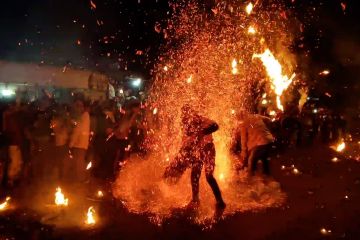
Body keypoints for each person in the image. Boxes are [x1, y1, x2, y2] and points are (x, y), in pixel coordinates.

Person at [163, 104, 226, 209]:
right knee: (194, 175)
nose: (184, 117)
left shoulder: (201, 119)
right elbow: (186, 144)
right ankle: (195, 200)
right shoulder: (187, 126)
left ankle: (220, 201)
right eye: (183, 115)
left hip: (209, 149)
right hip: (198, 152)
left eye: (186, 114)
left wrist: (202, 132)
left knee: (209, 176)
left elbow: (215, 125)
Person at [239, 112, 274, 177]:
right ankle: (267, 176)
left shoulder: (243, 123)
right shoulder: (256, 116)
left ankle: (251, 179)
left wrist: (243, 152)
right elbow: (269, 120)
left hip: (259, 143)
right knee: (264, 158)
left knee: (251, 161)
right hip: (269, 140)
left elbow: (243, 139)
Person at [68, 99, 90, 183]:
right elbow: (77, 125)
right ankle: (79, 178)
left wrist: (71, 143)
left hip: (79, 144)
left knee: (79, 163)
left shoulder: (84, 116)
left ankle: (81, 179)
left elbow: (77, 130)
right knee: (79, 162)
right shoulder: (84, 116)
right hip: (81, 143)